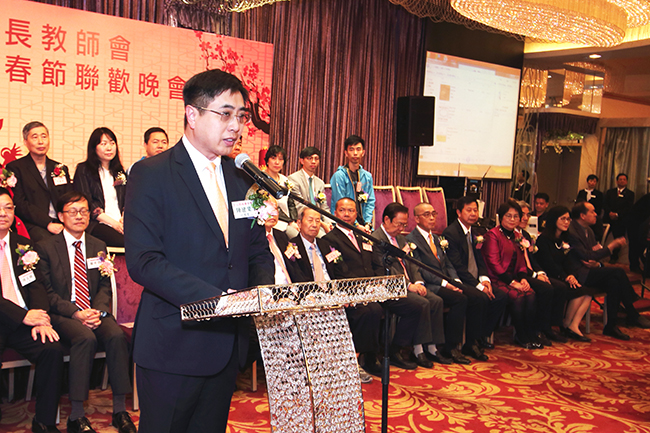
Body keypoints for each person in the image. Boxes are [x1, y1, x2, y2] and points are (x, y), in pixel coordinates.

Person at [124, 68, 274, 433]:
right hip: (174, 345)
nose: (236, 126)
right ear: (192, 115)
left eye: (241, 116)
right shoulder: (151, 174)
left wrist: (261, 293)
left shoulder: (242, 177)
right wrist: (218, 302)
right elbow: (144, 261)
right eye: (225, 114)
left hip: (227, 346)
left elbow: (257, 250)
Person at [35, 191, 134, 433]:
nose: (79, 216)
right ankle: (76, 416)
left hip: (94, 310)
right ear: (61, 216)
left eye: (84, 211)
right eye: (73, 211)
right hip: (64, 314)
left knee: (116, 335)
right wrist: (76, 313)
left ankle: (120, 411)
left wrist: (97, 311)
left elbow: (104, 286)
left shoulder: (98, 245)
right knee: (85, 338)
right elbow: (48, 293)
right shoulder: (46, 247)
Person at [0, 187, 64, 433]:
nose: (3, 213)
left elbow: (37, 285)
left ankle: (45, 421)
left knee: (52, 349)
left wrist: (41, 317)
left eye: (8, 208)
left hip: (25, 321)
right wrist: (24, 315)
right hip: (9, 318)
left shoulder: (24, 244)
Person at [407, 203, 493, 361]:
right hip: (431, 284)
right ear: (417, 219)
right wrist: (446, 283)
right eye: (426, 215)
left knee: (476, 297)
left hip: (446, 281)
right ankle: (451, 346)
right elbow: (421, 269)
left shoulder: (437, 238)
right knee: (460, 299)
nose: (432, 218)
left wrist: (455, 281)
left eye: (433, 214)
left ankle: (471, 342)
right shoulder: (411, 240)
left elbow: (448, 263)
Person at [373, 203, 455, 368]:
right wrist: (409, 286)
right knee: (420, 304)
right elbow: (382, 271)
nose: (401, 229)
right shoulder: (376, 240)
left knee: (436, 301)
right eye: (399, 224)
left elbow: (412, 263)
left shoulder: (401, 238)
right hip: (391, 287)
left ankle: (431, 347)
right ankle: (403, 349)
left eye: (404, 225)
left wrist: (417, 281)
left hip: (410, 283)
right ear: (387, 220)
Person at [567, 201, 650, 340]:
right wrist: (610, 247)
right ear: (582, 215)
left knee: (614, 282)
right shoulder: (572, 232)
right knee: (617, 272)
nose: (596, 214)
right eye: (592, 211)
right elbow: (587, 256)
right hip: (578, 273)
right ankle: (632, 310)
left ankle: (611, 325)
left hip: (590, 270)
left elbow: (594, 256)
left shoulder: (589, 231)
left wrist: (597, 263)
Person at [323, 198, 385, 379]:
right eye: (342, 210)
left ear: (356, 214)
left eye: (351, 211)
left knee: (385, 306)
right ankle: (359, 357)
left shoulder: (363, 236)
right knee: (368, 311)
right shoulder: (329, 239)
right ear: (335, 213)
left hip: (372, 289)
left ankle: (376, 354)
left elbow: (376, 263)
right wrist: (362, 288)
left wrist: (378, 282)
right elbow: (338, 270)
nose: (346, 214)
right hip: (349, 291)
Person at [442, 196, 505, 351]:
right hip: (460, 279)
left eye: (475, 210)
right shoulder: (451, 233)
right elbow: (457, 266)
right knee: (479, 297)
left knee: (500, 297)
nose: (473, 214)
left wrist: (485, 280)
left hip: (475, 278)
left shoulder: (476, 232)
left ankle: (482, 334)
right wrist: (478, 286)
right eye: (468, 210)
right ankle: (470, 343)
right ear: (459, 212)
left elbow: (481, 259)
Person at [482, 201, 545, 349]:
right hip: (497, 278)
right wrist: (512, 282)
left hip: (513, 278)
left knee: (530, 294)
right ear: (501, 217)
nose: (512, 219)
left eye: (516, 216)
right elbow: (494, 263)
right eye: (508, 216)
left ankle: (529, 333)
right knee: (518, 296)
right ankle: (521, 336)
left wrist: (523, 279)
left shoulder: (517, 235)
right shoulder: (493, 235)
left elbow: (522, 262)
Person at [535, 206, 596, 342]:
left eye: (568, 219)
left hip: (562, 275)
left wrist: (571, 274)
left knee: (587, 292)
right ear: (554, 220)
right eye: (563, 219)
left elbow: (569, 261)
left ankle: (570, 325)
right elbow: (548, 264)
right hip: (548, 274)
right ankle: (557, 325)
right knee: (564, 288)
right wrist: (565, 276)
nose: (566, 222)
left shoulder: (564, 239)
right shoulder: (543, 240)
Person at [7, 121, 73, 243]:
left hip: (61, 222)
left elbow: (69, 199)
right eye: (35, 137)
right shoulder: (16, 168)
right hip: (32, 224)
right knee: (50, 243)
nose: (40, 141)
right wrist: (48, 223)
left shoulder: (60, 168)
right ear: (25, 142)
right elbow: (20, 203)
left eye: (44, 136)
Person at [518, 201, 568, 343]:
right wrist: (534, 275)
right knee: (546, 288)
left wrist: (540, 272)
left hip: (530, 271)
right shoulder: (512, 235)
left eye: (528, 215)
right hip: (519, 273)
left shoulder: (526, 235)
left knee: (560, 287)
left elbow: (532, 259)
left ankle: (550, 326)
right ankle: (538, 329)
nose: (525, 218)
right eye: (522, 215)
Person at [73, 127, 127, 247]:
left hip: (121, 222)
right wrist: (114, 224)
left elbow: (127, 198)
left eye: (112, 143)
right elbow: (86, 202)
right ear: (94, 147)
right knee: (125, 242)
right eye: (103, 144)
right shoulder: (84, 170)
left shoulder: (119, 172)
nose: (109, 148)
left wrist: (124, 218)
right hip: (98, 223)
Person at [330, 135, 375, 230]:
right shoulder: (339, 176)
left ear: (363, 153)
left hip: (364, 226)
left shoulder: (367, 176)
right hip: (344, 225)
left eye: (358, 149)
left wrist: (367, 224)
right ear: (346, 153)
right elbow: (340, 205)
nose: (355, 153)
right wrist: (357, 226)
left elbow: (370, 202)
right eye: (351, 149)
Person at [287, 146, 333, 236]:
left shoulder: (320, 183)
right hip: (303, 222)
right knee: (324, 238)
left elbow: (324, 207)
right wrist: (320, 223)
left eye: (316, 159)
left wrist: (329, 223)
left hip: (319, 222)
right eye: (309, 158)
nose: (313, 161)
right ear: (301, 161)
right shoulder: (293, 179)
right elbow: (299, 206)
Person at [263, 145, 298, 236]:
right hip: (272, 220)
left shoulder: (285, 180)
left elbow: (291, 203)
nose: (277, 162)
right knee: (295, 235)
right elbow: (274, 206)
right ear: (267, 161)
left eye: (281, 159)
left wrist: (294, 220)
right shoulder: (261, 179)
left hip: (288, 222)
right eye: (273, 158)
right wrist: (290, 222)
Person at [603, 173, 634, 263]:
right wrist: (610, 213)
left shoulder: (630, 194)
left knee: (619, 238)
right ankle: (601, 254)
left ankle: (614, 256)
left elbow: (629, 207)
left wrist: (617, 214)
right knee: (604, 237)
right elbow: (605, 204)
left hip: (621, 220)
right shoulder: (610, 192)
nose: (622, 181)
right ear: (617, 181)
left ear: (626, 182)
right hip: (608, 218)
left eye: (624, 179)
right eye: (620, 179)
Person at [576, 174, 604, 242]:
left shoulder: (599, 194)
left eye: (594, 181)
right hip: (582, 214)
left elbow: (600, 205)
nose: (592, 183)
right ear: (587, 181)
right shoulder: (582, 192)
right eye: (591, 181)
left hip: (593, 216)